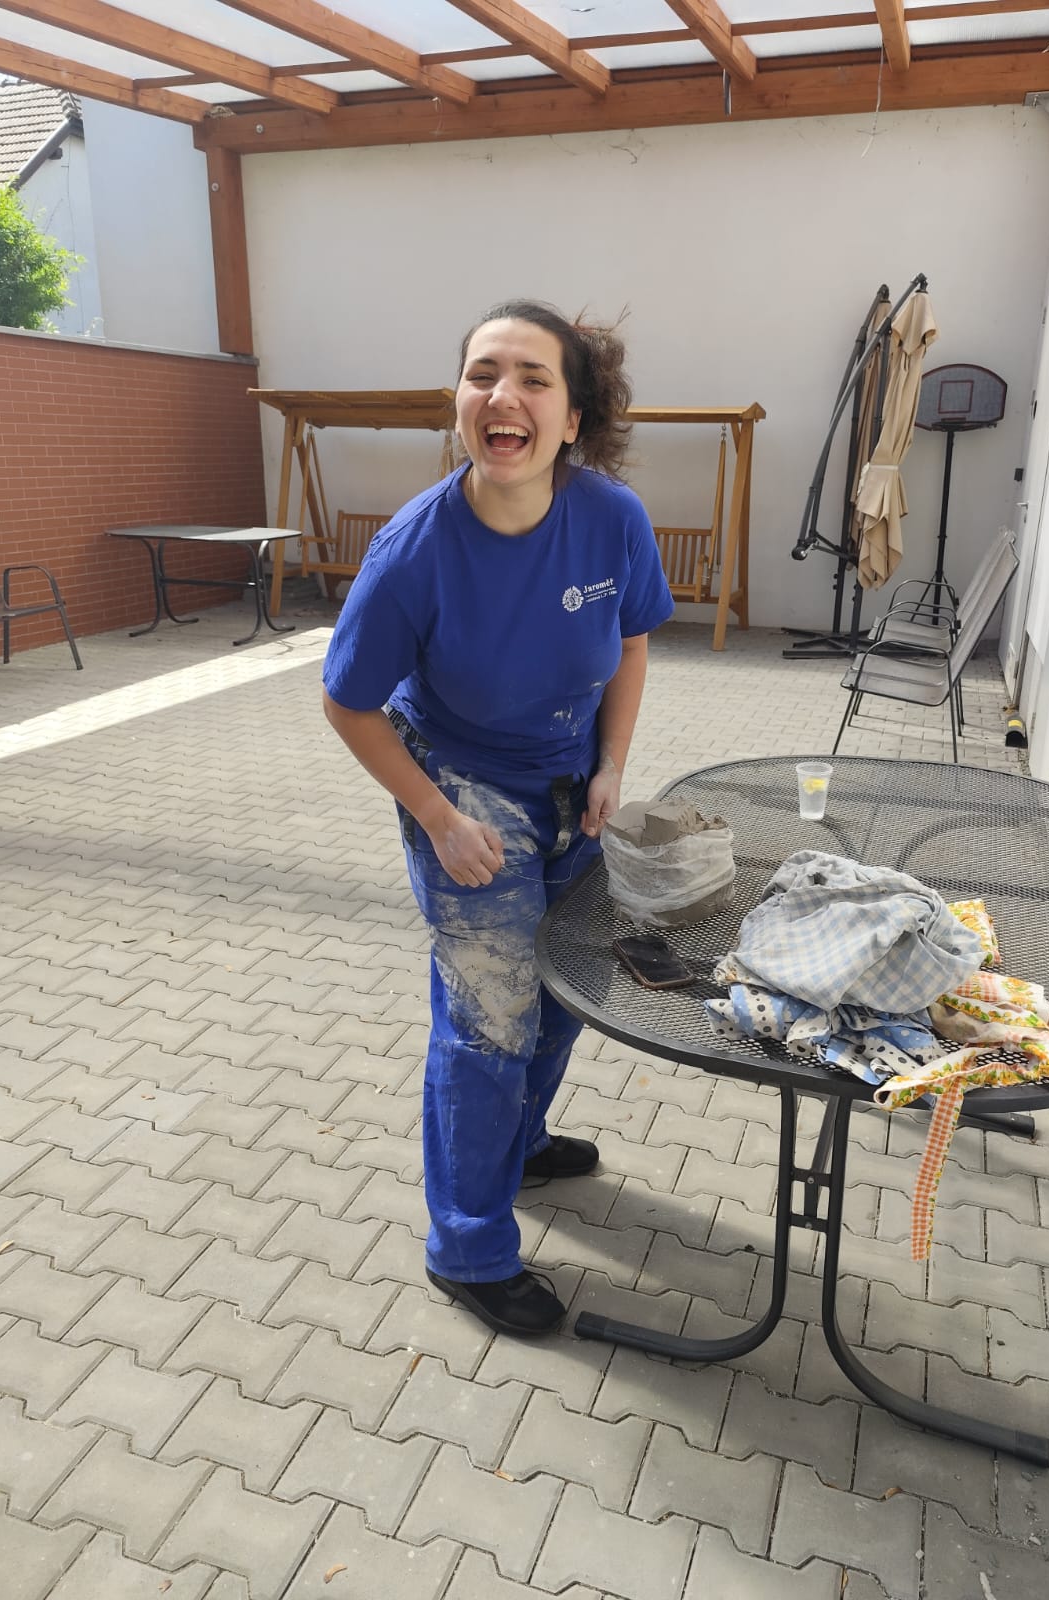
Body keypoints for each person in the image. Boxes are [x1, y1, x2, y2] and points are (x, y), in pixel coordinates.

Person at [322, 299, 674, 1337]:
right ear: (458, 402)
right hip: (463, 788)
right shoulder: (415, 549)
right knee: (488, 1022)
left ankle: (515, 1146)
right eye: (482, 374)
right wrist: (437, 818)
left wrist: (613, 764)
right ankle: (468, 1247)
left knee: (562, 994)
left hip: (572, 786)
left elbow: (633, 642)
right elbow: (348, 703)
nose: (501, 395)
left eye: (531, 377)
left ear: (573, 419)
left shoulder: (611, 518)